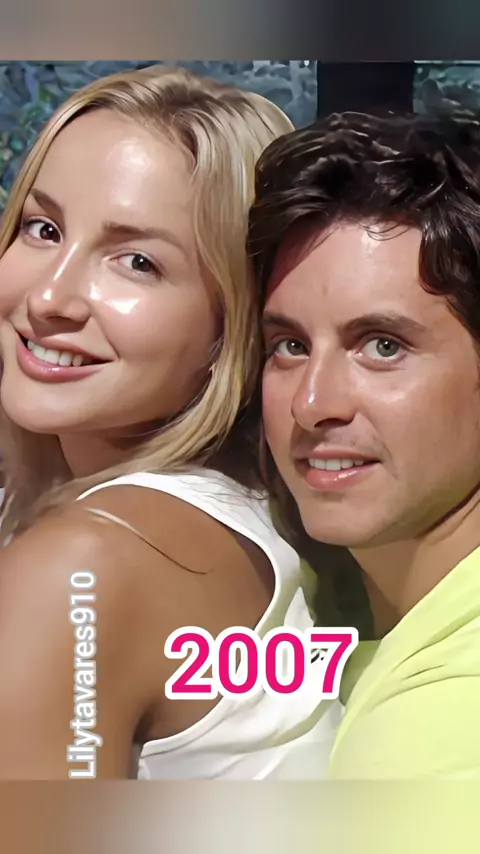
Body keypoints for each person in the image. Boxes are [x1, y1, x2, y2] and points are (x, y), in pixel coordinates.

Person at [0, 66, 343, 780]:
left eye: (136, 262)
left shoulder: (85, 561)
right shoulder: (246, 514)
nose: (51, 297)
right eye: (43, 228)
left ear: (233, 322)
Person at [248, 112, 480, 778]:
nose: (312, 403)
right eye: (290, 346)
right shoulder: (328, 608)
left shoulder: (444, 725)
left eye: (382, 346)